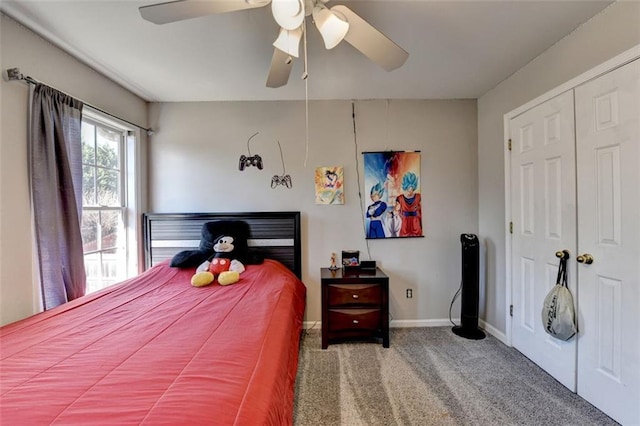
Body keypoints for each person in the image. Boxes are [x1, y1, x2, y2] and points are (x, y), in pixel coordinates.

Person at [395, 172, 422, 237]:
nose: (410, 192)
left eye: (412, 190)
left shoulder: (418, 197)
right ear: (406, 187)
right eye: (409, 190)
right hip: (404, 225)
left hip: (416, 225)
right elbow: (396, 211)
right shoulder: (400, 198)